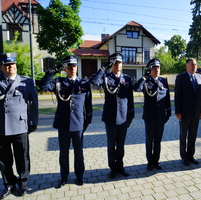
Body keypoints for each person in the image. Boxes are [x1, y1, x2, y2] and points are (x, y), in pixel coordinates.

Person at [38, 55, 92, 188]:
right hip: (63, 124)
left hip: (78, 124)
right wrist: (52, 71)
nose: (72, 69)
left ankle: (79, 176)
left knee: (79, 152)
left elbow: (89, 106)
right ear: (65, 70)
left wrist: (86, 122)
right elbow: (43, 85)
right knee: (64, 152)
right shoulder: (59, 82)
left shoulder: (84, 83)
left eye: (74, 66)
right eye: (69, 67)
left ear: (77, 67)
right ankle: (63, 177)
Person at [89, 53, 134, 179]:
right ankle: (112, 168)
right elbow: (93, 82)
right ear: (111, 64)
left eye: (119, 62)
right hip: (110, 117)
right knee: (111, 144)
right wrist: (103, 68)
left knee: (121, 144)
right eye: (115, 63)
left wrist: (131, 115)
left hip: (124, 117)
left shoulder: (127, 78)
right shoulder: (105, 77)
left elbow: (130, 99)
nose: (118, 65)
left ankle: (120, 166)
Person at [0, 53, 38, 198]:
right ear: (1, 67)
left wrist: (33, 122)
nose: (11, 67)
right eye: (7, 65)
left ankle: (23, 183)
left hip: (20, 126)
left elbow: (34, 103)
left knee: (22, 157)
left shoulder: (27, 81)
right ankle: (9, 184)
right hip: (2, 126)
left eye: (13, 64)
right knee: (4, 160)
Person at [132, 58, 171, 170]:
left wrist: (168, 112)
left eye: (158, 68)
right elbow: (136, 88)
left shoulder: (163, 81)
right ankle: (149, 161)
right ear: (150, 70)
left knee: (158, 140)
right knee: (150, 140)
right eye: (154, 68)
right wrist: (144, 77)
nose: (157, 70)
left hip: (160, 116)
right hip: (149, 116)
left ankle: (156, 161)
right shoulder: (146, 81)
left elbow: (167, 98)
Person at [175, 58, 201, 166]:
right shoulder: (181, 77)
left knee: (193, 136)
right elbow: (177, 95)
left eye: (195, 65)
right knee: (183, 136)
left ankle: (191, 155)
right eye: (192, 65)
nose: (194, 67)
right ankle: (184, 157)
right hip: (184, 113)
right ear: (186, 66)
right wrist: (178, 112)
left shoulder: (200, 77)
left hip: (196, 113)